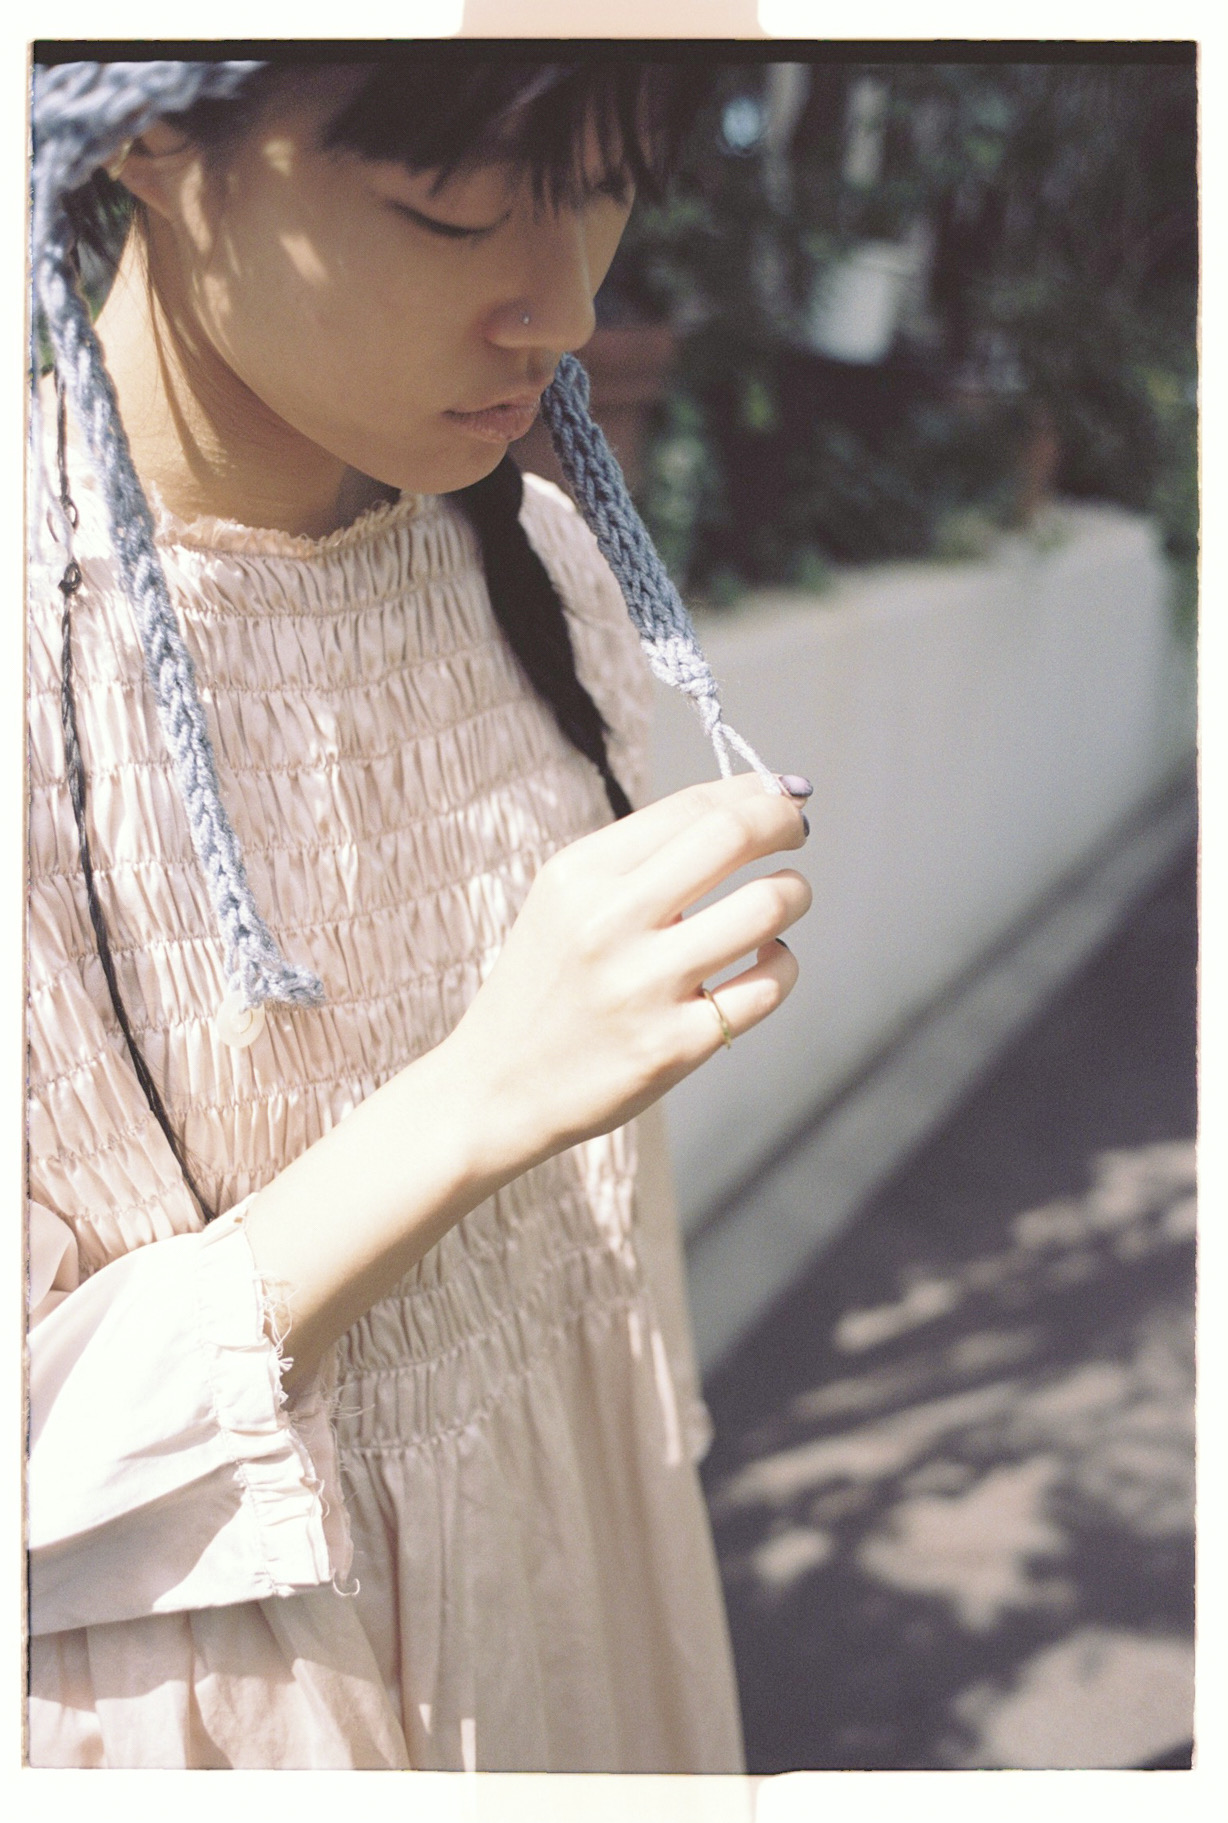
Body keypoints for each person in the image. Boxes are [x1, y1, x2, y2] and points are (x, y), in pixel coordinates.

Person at [26, 54, 813, 1771]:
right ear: (147, 132)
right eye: (455, 212)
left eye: (604, 192)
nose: (564, 308)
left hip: (577, 1608)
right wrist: (475, 1100)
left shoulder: (547, 567)